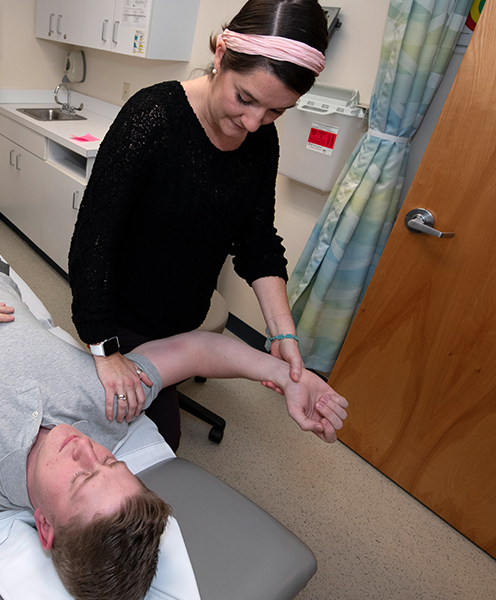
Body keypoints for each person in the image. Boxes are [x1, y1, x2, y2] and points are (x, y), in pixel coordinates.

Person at [0, 156, 347, 600]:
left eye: (83, 477)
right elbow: (198, 349)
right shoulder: (108, 407)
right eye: (110, 462)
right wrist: (285, 372)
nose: (87, 449)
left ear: (44, 527)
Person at [68, 0, 331, 450]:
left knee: (159, 443)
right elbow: (93, 240)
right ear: (221, 55)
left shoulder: (260, 141)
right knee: (145, 440)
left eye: (274, 113)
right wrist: (105, 351)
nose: (252, 123)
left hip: (184, 322)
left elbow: (257, 239)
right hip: (119, 319)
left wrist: (282, 333)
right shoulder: (153, 117)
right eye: (244, 98)